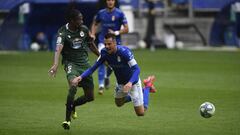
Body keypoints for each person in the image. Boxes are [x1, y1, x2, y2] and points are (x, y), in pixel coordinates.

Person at [72, 33, 156, 116]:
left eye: (109, 44)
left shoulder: (125, 52)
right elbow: (92, 68)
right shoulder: (104, 53)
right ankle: (141, 91)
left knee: (140, 113)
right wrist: (80, 77)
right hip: (120, 83)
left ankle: (147, 87)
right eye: (105, 44)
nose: (107, 46)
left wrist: (130, 83)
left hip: (133, 83)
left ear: (115, 43)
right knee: (119, 104)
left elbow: (137, 69)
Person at [48, 9, 99, 130]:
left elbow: (91, 45)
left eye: (82, 19)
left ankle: (73, 105)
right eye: (79, 19)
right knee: (73, 85)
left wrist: (101, 57)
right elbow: (58, 49)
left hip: (85, 64)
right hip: (71, 64)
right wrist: (55, 64)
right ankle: (67, 120)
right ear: (71, 21)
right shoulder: (63, 32)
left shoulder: (84, 29)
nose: (81, 21)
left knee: (90, 97)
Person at [91, 0, 129, 94]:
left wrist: (116, 32)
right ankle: (101, 85)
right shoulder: (101, 13)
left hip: (116, 43)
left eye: (112, 0)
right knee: (101, 60)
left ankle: (106, 77)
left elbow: (127, 29)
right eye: (108, 0)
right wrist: (93, 34)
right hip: (102, 41)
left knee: (113, 64)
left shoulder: (120, 13)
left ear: (114, 1)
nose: (110, 2)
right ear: (106, 1)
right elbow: (95, 24)